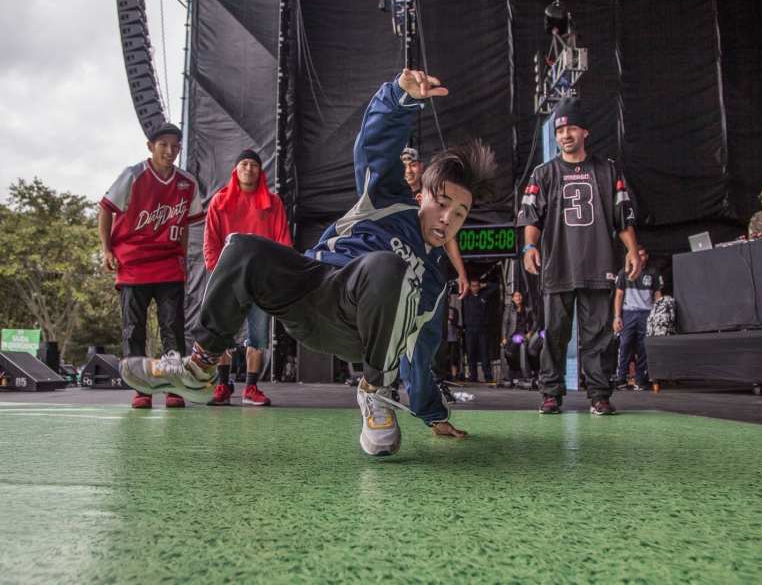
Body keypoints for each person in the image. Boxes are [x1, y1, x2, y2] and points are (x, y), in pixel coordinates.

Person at [121, 68, 497, 457]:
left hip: (360, 330)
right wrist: (399, 97)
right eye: (443, 204)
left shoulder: (434, 280)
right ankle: (200, 366)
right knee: (243, 247)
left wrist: (433, 414)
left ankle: (376, 393)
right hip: (311, 289)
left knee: (389, 269)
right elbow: (376, 143)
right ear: (423, 198)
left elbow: (421, 351)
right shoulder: (387, 199)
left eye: (461, 214)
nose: (447, 219)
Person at [519, 97, 641, 416]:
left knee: (598, 337)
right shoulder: (543, 173)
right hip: (558, 266)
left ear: (584, 131)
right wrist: (529, 247)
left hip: (598, 264)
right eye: (560, 130)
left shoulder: (606, 169)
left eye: (572, 128)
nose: (565, 134)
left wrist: (631, 249)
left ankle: (600, 395)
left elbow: (621, 215)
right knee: (555, 335)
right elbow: (531, 217)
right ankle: (550, 394)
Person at [99, 123, 205, 409]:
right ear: (151, 147)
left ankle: (174, 386)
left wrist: (182, 261)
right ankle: (141, 389)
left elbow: (183, 226)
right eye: (163, 145)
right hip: (133, 263)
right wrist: (107, 250)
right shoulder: (133, 175)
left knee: (172, 326)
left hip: (169, 264)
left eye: (175, 145)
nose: (169, 151)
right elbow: (105, 210)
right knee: (133, 329)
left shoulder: (187, 183)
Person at [203, 149, 292, 406]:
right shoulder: (219, 201)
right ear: (236, 169)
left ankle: (251, 388)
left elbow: (282, 241)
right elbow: (211, 240)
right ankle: (222, 386)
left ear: (260, 171)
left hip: (260, 280)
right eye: (244, 163)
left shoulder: (272, 202)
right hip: (228, 280)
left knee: (259, 335)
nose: (249, 168)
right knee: (223, 334)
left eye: (254, 164)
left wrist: (279, 272)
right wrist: (215, 270)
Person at [403, 147, 469, 299]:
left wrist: (461, 272)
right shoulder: (394, 197)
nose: (408, 170)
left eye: (412, 164)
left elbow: (447, 236)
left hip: (428, 272)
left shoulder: (436, 190)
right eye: (404, 165)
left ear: (421, 166)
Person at [612, 247, 663, 390]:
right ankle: (621, 377)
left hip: (647, 313)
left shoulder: (653, 273)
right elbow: (619, 295)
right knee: (625, 344)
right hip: (629, 312)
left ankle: (640, 378)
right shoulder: (625, 272)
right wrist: (617, 316)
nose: (640, 259)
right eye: (637, 255)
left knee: (644, 346)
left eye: (642, 255)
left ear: (646, 256)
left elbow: (657, 295)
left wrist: (656, 315)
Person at [462, 278, 500, 382]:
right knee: (470, 353)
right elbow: (457, 286)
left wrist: (484, 284)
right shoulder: (466, 296)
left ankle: (487, 374)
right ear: (470, 287)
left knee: (484, 352)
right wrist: (466, 285)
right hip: (470, 327)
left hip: (483, 327)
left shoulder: (484, 295)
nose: (475, 288)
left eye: (477, 286)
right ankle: (473, 374)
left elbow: (496, 286)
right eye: (473, 286)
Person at [501, 291, 541, 378]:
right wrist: (504, 338)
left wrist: (531, 332)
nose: (518, 298)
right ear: (512, 298)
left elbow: (535, 321)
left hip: (525, 335)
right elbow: (505, 324)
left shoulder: (528, 309)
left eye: (520, 295)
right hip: (513, 336)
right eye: (516, 296)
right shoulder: (509, 310)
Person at [446, 293, 461, 379]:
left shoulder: (453, 310)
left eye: (448, 298)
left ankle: (454, 375)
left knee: (453, 357)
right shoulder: (438, 309)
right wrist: (448, 318)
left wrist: (448, 319)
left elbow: (455, 321)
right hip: (442, 337)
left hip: (452, 337)